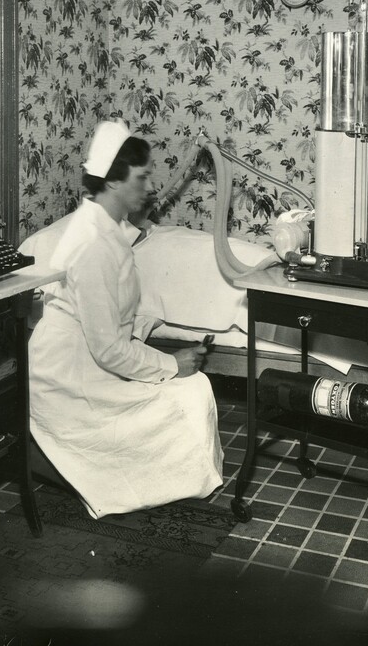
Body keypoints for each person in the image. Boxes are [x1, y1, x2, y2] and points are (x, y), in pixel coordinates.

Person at [28, 119, 223, 518]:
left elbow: (109, 320)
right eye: (143, 177)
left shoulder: (108, 229)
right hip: (68, 377)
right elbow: (106, 350)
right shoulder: (93, 244)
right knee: (190, 392)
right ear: (113, 182)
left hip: (88, 358)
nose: (152, 187)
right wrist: (172, 363)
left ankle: (168, 474)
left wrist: (146, 331)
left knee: (191, 390)